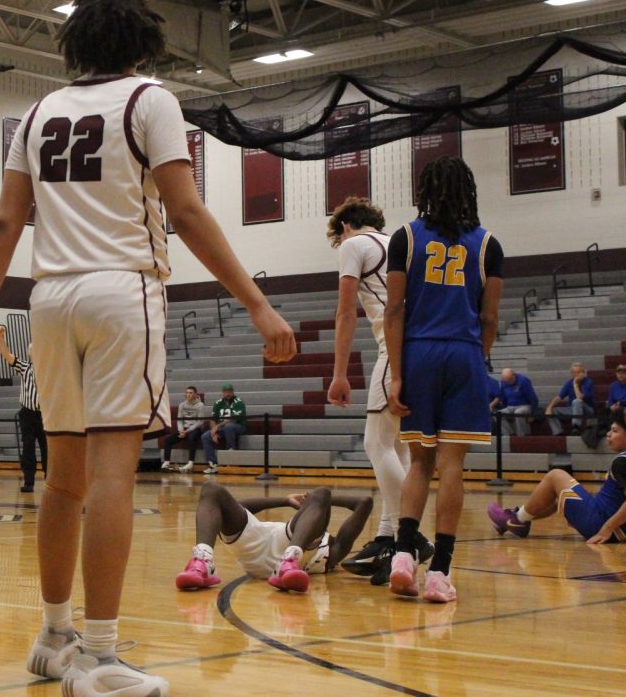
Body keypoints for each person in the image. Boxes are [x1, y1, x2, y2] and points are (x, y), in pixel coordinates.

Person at [0, 0, 296, 697]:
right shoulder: (150, 100)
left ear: (75, 43)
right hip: (120, 290)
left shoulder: (38, 113)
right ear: (144, 41)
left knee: (63, 480)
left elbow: (7, 225)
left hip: (48, 299)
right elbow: (189, 215)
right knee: (109, 477)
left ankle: (54, 638)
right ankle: (102, 658)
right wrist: (259, 305)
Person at [385, 156, 503, 604]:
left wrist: (397, 375)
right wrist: (477, 358)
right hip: (463, 351)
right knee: (453, 466)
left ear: (426, 191)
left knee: (419, 462)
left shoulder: (406, 238)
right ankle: (440, 572)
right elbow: (489, 316)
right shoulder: (489, 244)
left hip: (417, 351)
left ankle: (401, 555)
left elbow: (394, 310)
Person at [325, 197, 418, 585]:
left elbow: (346, 313)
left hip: (394, 345)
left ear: (345, 225)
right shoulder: (400, 241)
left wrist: (340, 374)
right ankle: (386, 538)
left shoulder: (354, 245)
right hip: (423, 343)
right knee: (398, 447)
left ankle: (408, 540)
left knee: (374, 445)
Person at [174, 484, 373, 593]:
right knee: (212, 490)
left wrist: (314, 498)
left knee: (322, 492)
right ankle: (202, 561)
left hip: (279, 552)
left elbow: (364, 502)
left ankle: (290, 559)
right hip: (262, 539)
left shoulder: (335, 552)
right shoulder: (328, 548)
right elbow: (237, 506)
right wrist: (287, 500)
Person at [488, 412, 626, 544]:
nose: (608, 434)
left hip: (601, 524)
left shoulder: (621, 462)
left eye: (614, 431)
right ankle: (513, 519)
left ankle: (517, 520)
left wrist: (606, 529)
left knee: (556, 476)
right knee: (557, 496)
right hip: (614, 526)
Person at [0, 326, 46, 493]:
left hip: (45, 414)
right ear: (30, 354)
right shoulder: (25, 367)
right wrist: (0, 338)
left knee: (48, 448)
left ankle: (51, 482)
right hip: (28, 413)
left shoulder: (48, 369)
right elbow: (7, 356)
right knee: (28, 446)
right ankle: (29, 481)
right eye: (33, 351)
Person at [161, 387, 208, 472]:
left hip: (195, 429)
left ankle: (190, 463)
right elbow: (179, 420)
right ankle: (166, 462)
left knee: (192, 438)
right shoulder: (182, 405)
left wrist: (188, 431)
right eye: (187, 393)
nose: (188, 394)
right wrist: (181, 430)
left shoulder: (200, 405)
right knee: (168, 440)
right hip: (184, 429)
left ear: (195, 394)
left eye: (190, 393)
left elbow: (200, 422)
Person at [203, 383, 246, 474]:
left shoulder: (239, 402)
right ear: (222, 392)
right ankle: (213, 464)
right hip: (223, 428)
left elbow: (233, 419)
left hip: (238, 427)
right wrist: (213, 431)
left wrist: (218, 426)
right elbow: (212, 419)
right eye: (226, 392)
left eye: (230, 391)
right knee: (206, 436)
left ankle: (231, 459)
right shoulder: (218, 403)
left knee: (229, 427)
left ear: (233, 392)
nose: (228, 393)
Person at [546, 362, 596, 437]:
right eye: (574, 372)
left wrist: (575, 384)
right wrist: (549, 407)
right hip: (572, 409)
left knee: (576, 401)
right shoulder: (569, 383)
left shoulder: (588, 382)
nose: (576, 374)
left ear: (583, 373)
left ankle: (576, 427)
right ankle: (558, 432)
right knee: (552, 410)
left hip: (587, 409)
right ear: (571, 374)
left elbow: (580, 397)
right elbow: (559, 397)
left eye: (578, 372)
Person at [489, 368, 539, 437]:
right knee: (497, 414)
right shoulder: (504, 382)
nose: (508, 382)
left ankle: (521, 435)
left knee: (518, 412)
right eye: (506, 381)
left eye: (510, 380)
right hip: (510, 406)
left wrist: (533, 413)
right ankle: (509, 434)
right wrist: (493, 405)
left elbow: (533, 398)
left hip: (525, 405)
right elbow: (502, 396)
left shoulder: (523, 381)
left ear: (513, 375)